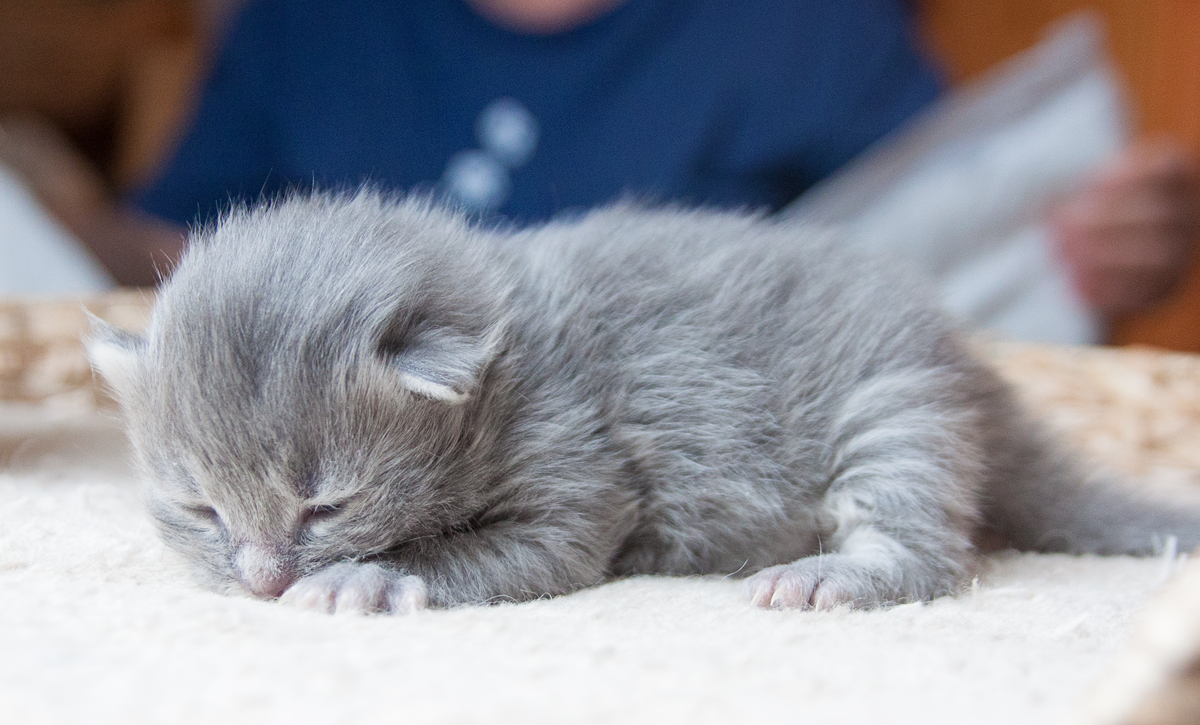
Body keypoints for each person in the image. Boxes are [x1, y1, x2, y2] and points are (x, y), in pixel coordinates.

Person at [1, 0, 1197, 324]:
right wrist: (55, 201)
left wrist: (1094, 250)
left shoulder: (808, 23)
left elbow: (962, 256)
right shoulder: (311, 18)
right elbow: (165, 253)